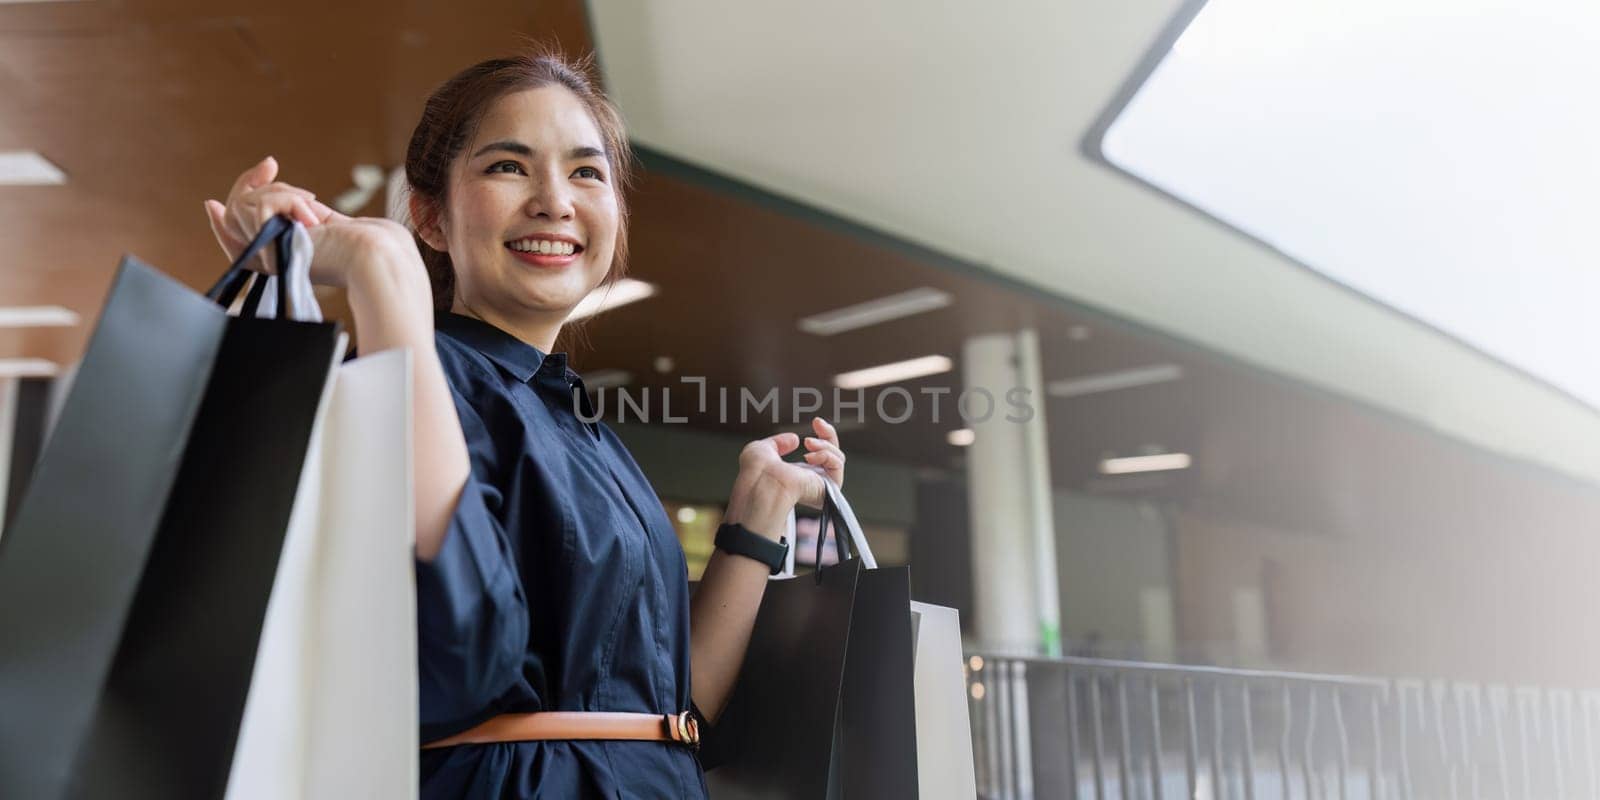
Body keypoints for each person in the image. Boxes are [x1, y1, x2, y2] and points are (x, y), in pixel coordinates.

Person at [203, 51, 847, 799]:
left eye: (586, 172)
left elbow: (671, 713)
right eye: (508, 167)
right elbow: (460, 654)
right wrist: (383, 270)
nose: (554, 200)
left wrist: (755, 512)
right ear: (428, 216)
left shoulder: (577, 423)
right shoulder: (406, 383)